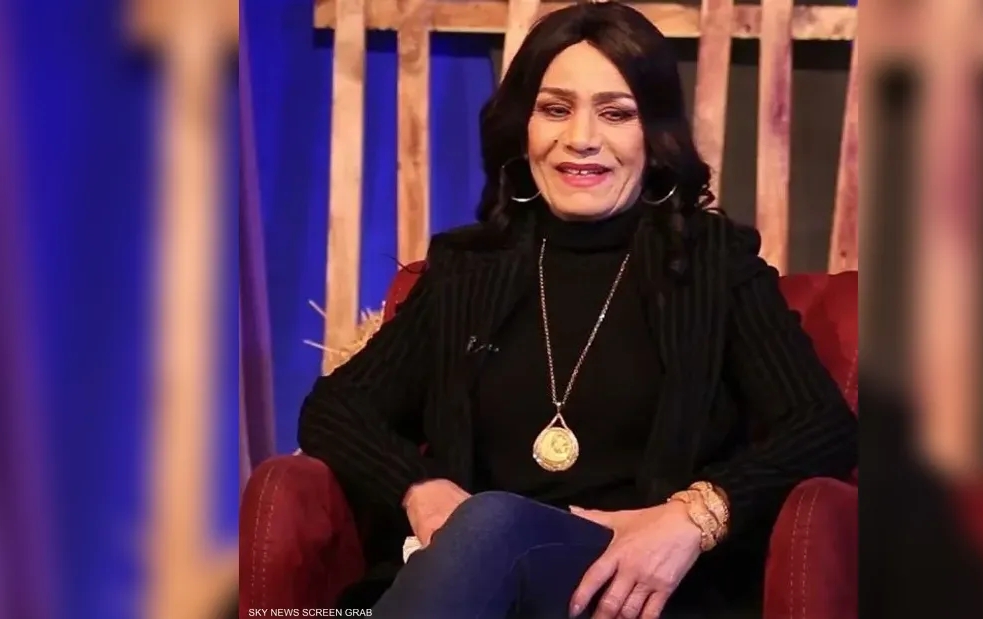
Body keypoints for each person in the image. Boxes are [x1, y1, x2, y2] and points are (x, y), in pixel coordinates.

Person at [297, 3, 858, 618]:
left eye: (616, 113)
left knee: (494, 523)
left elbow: (822, 425)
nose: (581, 138)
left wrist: (692, 518)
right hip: (478, 590)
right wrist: (420, 489)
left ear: (655, 134)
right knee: (491, 525)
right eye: (555, 109)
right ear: (524, 127)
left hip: (639, 595)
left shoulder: (712, 267)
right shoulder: (470, 269)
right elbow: (338, 407)